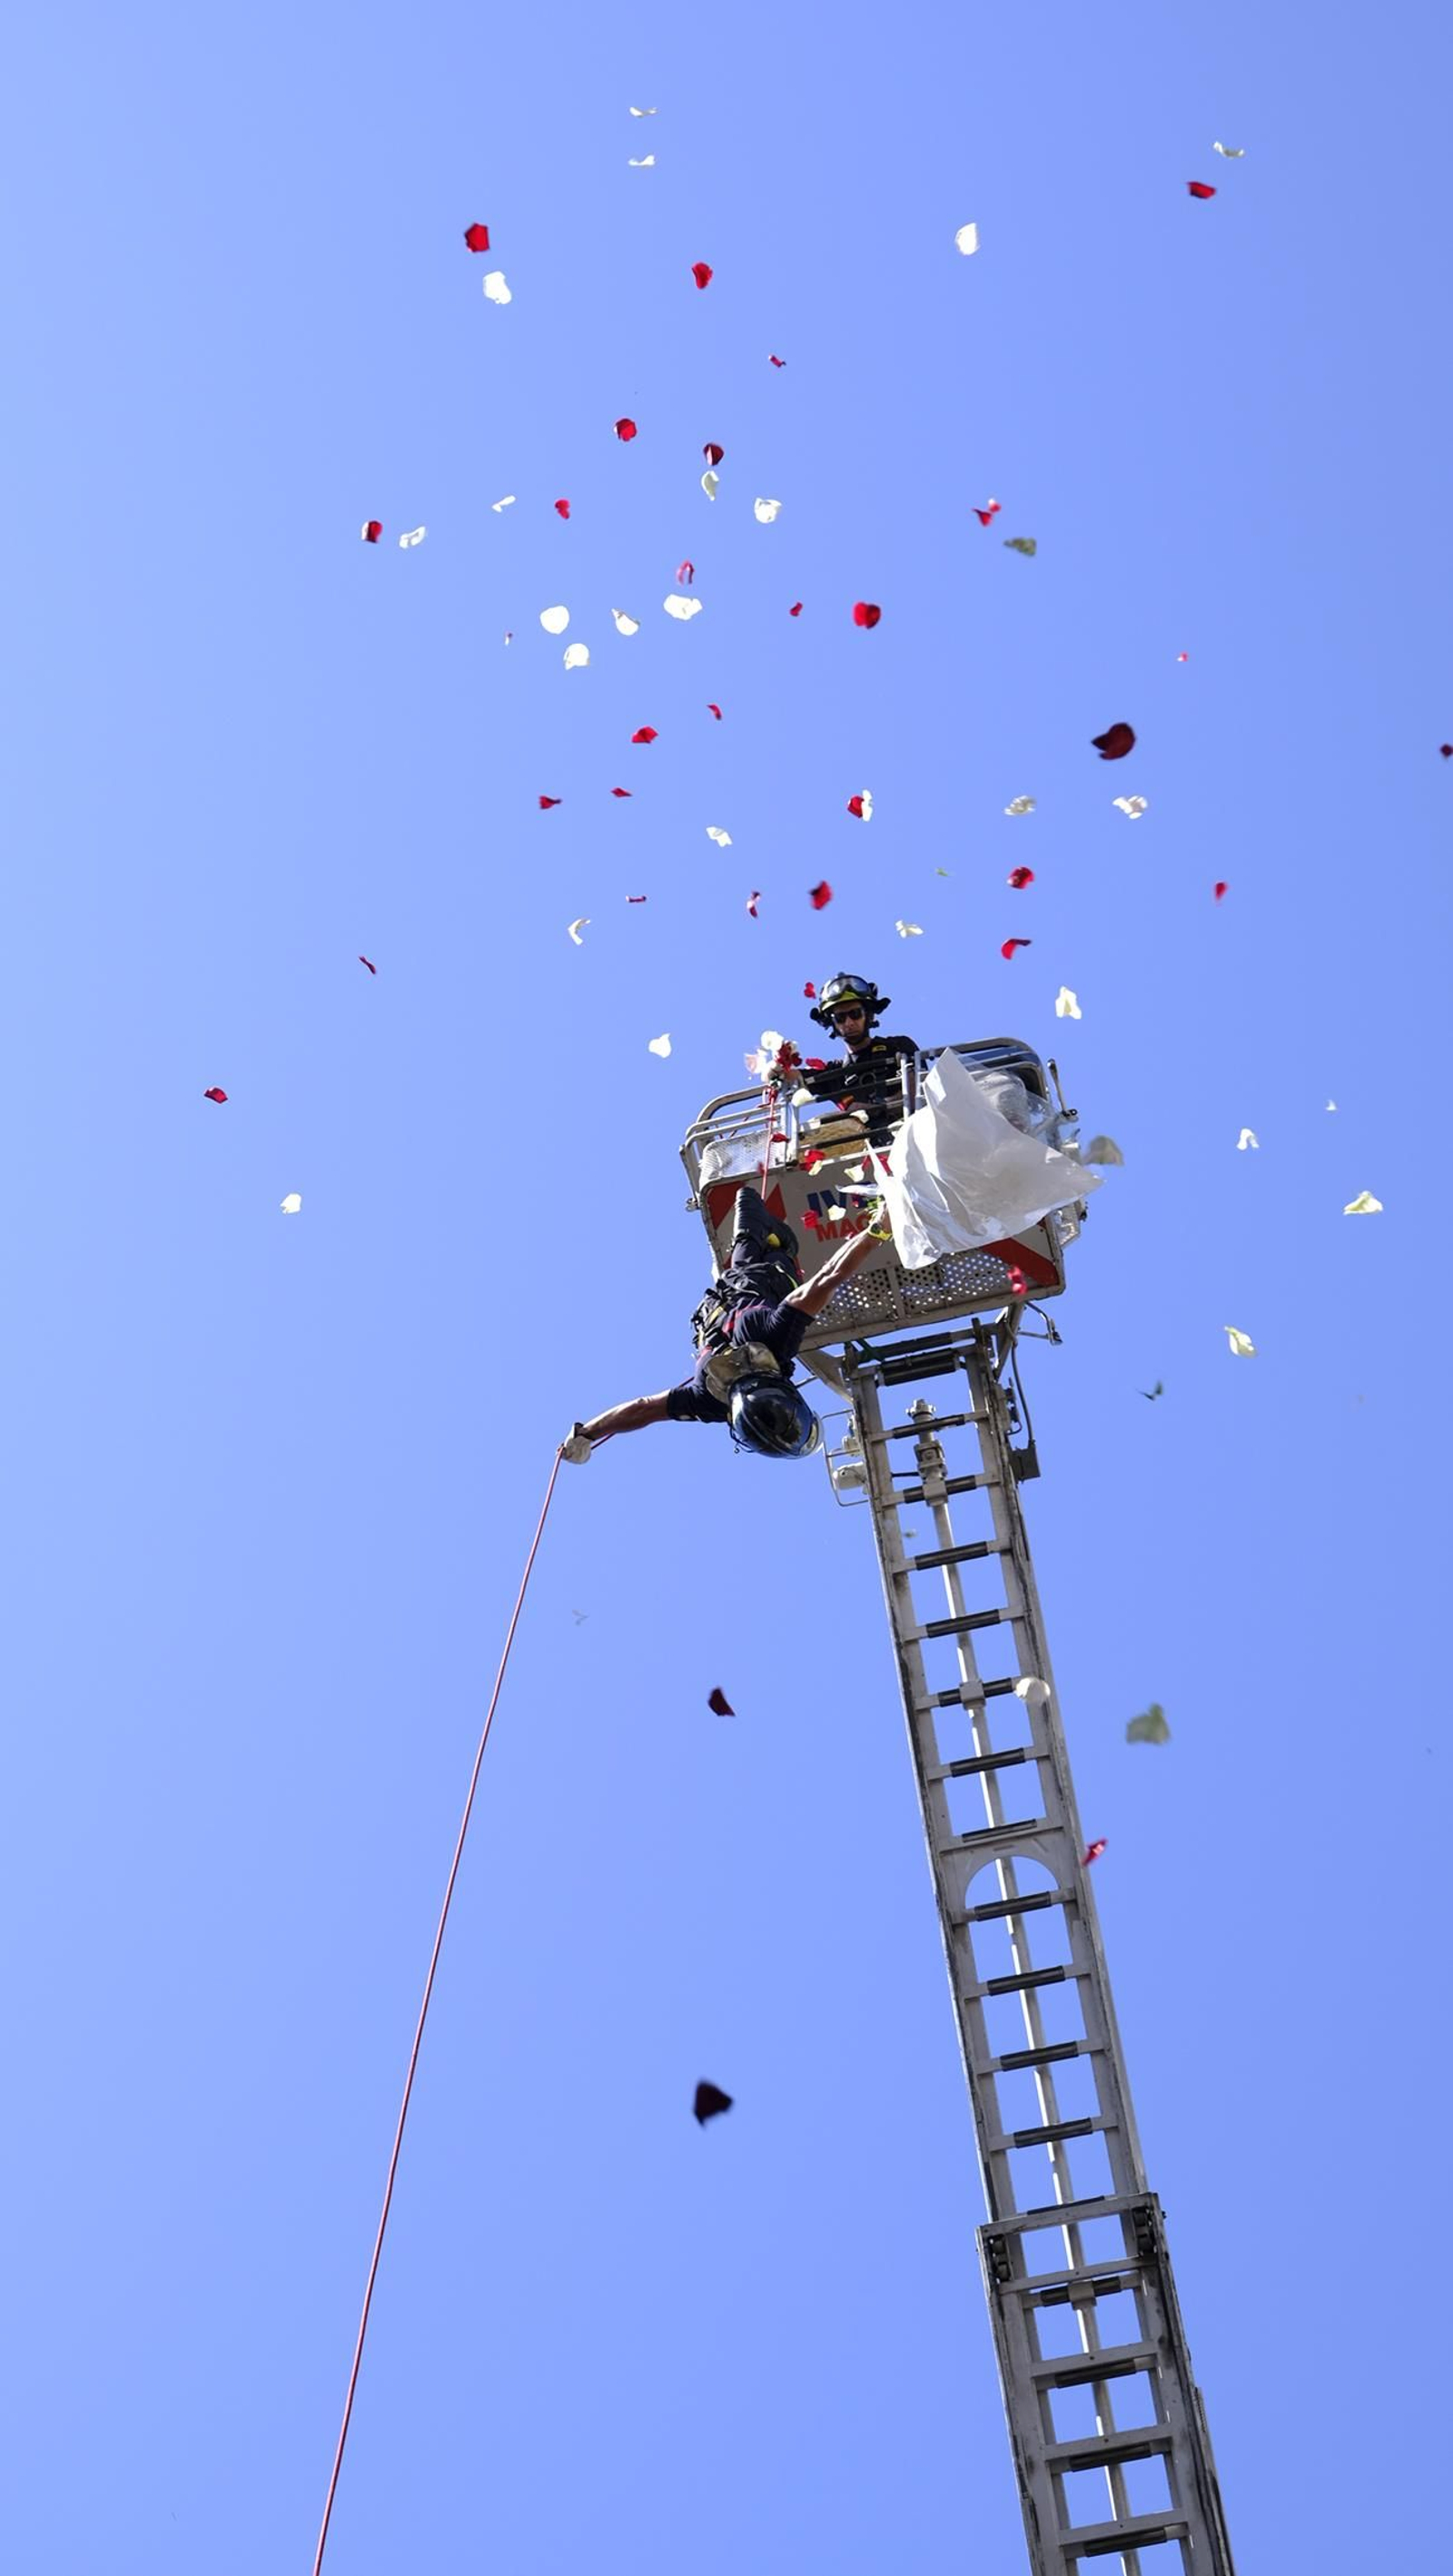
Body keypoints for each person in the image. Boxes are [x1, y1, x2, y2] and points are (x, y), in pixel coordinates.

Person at [562, 1183, 888, 1463]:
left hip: (761, 1268)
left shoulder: (773, 1342)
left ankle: (765, 1223)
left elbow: (830, 1277)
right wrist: (588, 1433)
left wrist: (878, 1230)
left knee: (752, 1204)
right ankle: (766, 1227)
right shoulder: (709, 1399)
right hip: (733, 1282)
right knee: (752, 1212)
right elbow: (643, 1408)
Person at [793, 973, 920, 1148]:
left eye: (855, 1014)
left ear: (868, 1015)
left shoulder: (897, 1046)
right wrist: (774, 1067)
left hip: (910, 1138)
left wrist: (875, 1108)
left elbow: (919, 1089)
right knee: (816, 1126)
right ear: (833, 1024)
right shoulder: (834, 1074)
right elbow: (792, 1077)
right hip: (860, 1152)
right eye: (840, 1018)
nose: (849, 1022)